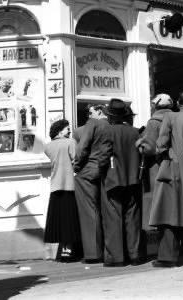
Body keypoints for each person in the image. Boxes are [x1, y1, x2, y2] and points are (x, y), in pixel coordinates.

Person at [149, 89, 183, 268]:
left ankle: (168, 257)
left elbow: (161, 144)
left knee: (170, 213)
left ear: (178, 104)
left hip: (175, 168)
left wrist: (165, 154)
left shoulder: (171, 118)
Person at [101, 99, 142, 267]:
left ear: (110, 116)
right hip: (133, 178)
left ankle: (116, 257)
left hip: (113, 179)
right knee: (132, 217)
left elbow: (103, 156)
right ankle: (135, 255)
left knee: (113, 218)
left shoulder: (107, 131)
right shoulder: (135, 132)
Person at [74, 102, 110, 263]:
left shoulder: (92, 124)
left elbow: (82, 147)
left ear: (99, 111)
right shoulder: (111, 125)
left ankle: (93, 253)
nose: (89, 115)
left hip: (88, 170)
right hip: (106, 170)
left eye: (90, 112)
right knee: (105, 210)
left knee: (89, 212)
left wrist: (76, 165)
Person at [44, 119, 80, 262]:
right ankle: (68, 250)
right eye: (67, 129)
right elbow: (76, 160)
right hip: (69, 184)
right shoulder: (70, 142)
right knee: (69, 220)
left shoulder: (48, 147)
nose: (69, 131)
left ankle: (60, 251)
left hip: (55, 185)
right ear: (60, 131)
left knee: (59, 221)